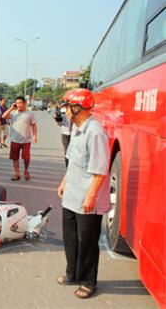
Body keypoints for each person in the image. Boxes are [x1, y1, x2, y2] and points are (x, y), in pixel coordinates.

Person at [56, 88, 110, 299]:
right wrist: (63, 183)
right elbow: (72, 163)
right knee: (71, 238)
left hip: (87, 199)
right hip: (71, 195)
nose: (65, 111)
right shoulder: (77, 129)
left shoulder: (95, 132)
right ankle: (73, 274)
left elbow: (100, 169)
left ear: (77, 108)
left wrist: (91, 196)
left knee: (86, 241)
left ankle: (88, 281)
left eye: (67, 107)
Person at [2, 96, 37, 181]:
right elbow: (3, 116)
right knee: (15, 158)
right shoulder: (13, 113)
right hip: (15, 139)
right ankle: (17, 174)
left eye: (20, 103)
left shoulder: (30, 113)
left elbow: (34, 125)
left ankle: (26, 170)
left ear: (25, 103)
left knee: (26, 158)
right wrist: (11, 108)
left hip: (26, 140)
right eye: (17, 103)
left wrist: (35, 135)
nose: (18, 105)